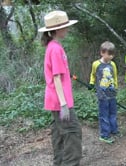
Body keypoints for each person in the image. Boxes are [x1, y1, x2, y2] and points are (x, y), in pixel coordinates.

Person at [39, 11, 82, 165]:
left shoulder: (53, 46)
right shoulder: (55, 49)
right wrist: (64, 104)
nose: (67, 30)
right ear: (57, 30)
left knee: (59, 134)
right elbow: (56, 78)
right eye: (65, 27)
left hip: (55, 99)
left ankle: (59, 162)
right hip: (60, 101)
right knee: (73, 133)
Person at [88, 41, 119, 144]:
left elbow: (114, 77)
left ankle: (114, 130)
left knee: (113, 113)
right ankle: (104, 135)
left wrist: (116, 87)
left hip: (112, 94)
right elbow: (93, 75)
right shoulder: (96, 64)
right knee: (104, 115)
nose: (111, 56)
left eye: (112, 54)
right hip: (102, 95)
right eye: (109, 54)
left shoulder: (113, 64)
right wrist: (91, 83)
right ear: (102, 52)